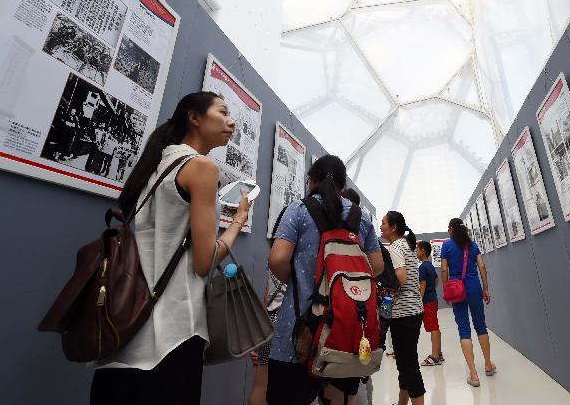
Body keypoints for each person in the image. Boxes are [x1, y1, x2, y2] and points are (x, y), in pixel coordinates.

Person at [90, 91, 252, 404]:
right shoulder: (202, 168)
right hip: (174, 333)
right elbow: (204, 263)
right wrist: (237, 222)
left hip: (123, 330)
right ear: (194, 118)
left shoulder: (157, 164)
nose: (231, 122)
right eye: (222, 112)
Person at [267, 155, 384, 405]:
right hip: (344, 329)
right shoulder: (360, 218)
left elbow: (277, 259)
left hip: (298, 328)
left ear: (312, 181)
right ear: (343, 185)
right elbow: (377, 266)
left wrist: (299, 279)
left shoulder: (298, 210)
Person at [440, 218, 495, 387]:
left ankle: (474, 374)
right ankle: (488, 365)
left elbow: (443, 269)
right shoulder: (473, 245)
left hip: (457, 290)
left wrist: (446, 290)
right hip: (473, 288)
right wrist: (485, 288)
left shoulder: (447, 246)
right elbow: (482, 266)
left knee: (464, 329)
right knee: (481, 326)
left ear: (450, 229)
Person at [380, 211, 425, 405]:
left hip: (403, 314)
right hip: (413, 311)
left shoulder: (396, 247)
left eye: (383, 223)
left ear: (393, 227)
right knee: (405, 363)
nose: (380, 226)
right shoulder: (406, 244)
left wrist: (382, 288)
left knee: (408, 365)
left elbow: (401, 277)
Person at [341, 187, 374, 405]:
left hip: (337, 308)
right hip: (360, 304)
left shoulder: (329, 230)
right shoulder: (364, 226)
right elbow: (377, 266)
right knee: (358, 369)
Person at [248, 269, 286, 405]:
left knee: (261, 382)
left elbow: (267, 298)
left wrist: (260, 336)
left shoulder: (277, 251)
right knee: (297, 390)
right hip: (295, 326)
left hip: (270, 324)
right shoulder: (313, 250)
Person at [415, 241, 442, 367]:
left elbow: (422, 284)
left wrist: (420, 300)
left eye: (417, 250)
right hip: (433, 299)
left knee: (433, 328)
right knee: (435, 326)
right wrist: (432, 290)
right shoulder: (430, 266)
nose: (416, 252)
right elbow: (436, 280)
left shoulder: (422, 267)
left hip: (427, 302)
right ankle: (439, 354)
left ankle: (435, 357)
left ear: (423, 251)